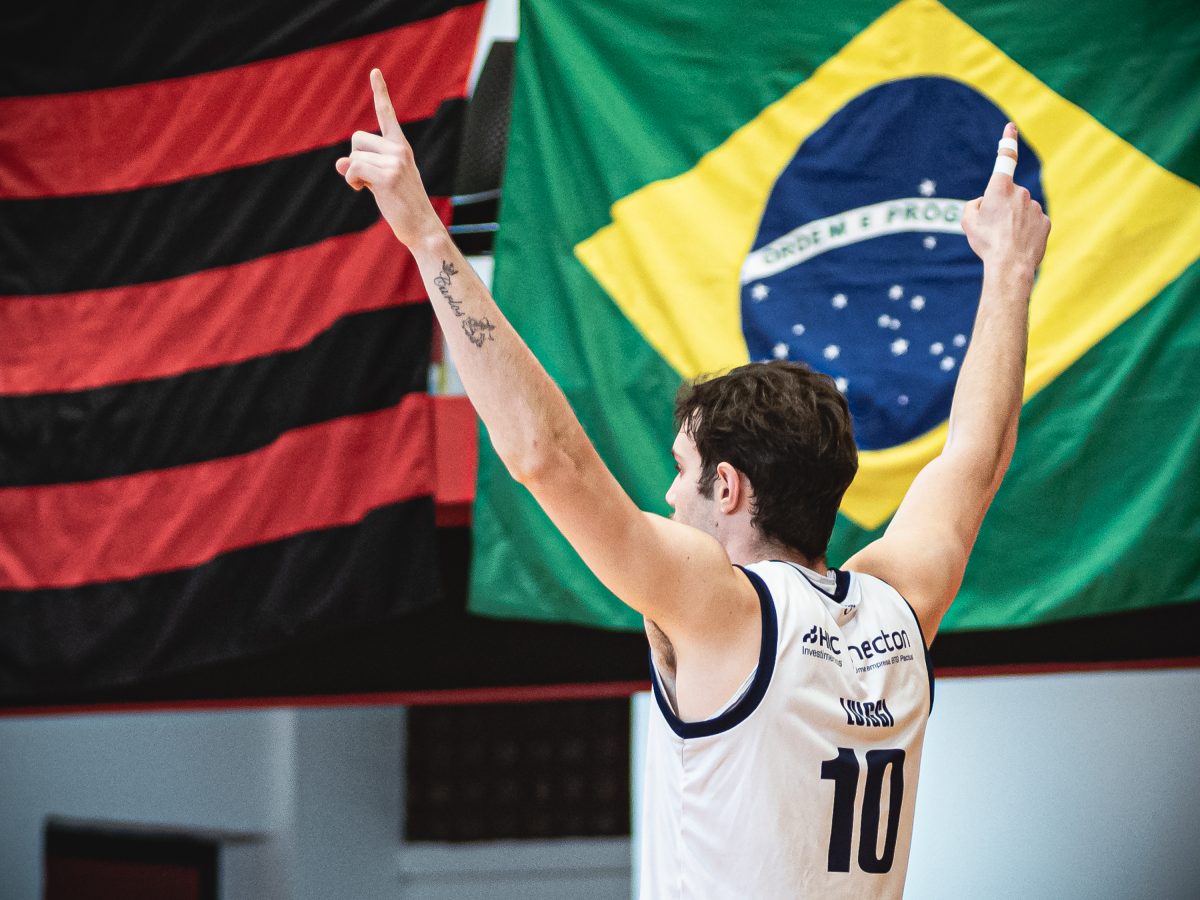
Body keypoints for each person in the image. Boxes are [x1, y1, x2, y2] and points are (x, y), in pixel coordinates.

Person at [336, 69, 1050, 898]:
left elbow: (545, 455)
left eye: (682, 471)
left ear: (730, 488)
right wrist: (1007, 270)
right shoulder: (898, 608)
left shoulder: (725, 609)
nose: (671, 495)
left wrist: (427, 237)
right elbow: (976, 455)